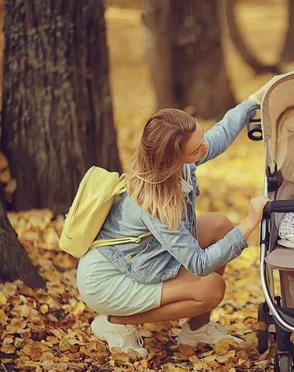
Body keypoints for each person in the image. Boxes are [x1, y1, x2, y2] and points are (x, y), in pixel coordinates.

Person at [76, 77, 279, 357]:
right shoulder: (154, 201)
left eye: (200, 138)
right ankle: (114, 322)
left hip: (143, 258)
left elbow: (216, 138)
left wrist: (252, 102)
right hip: (109, 279)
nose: (203, 150)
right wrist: (250, 222)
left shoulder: (177, 163)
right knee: (211, 289)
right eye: (195, 151)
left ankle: (195, 331)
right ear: (171, 158)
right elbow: (199, 263)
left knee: (219, 224)